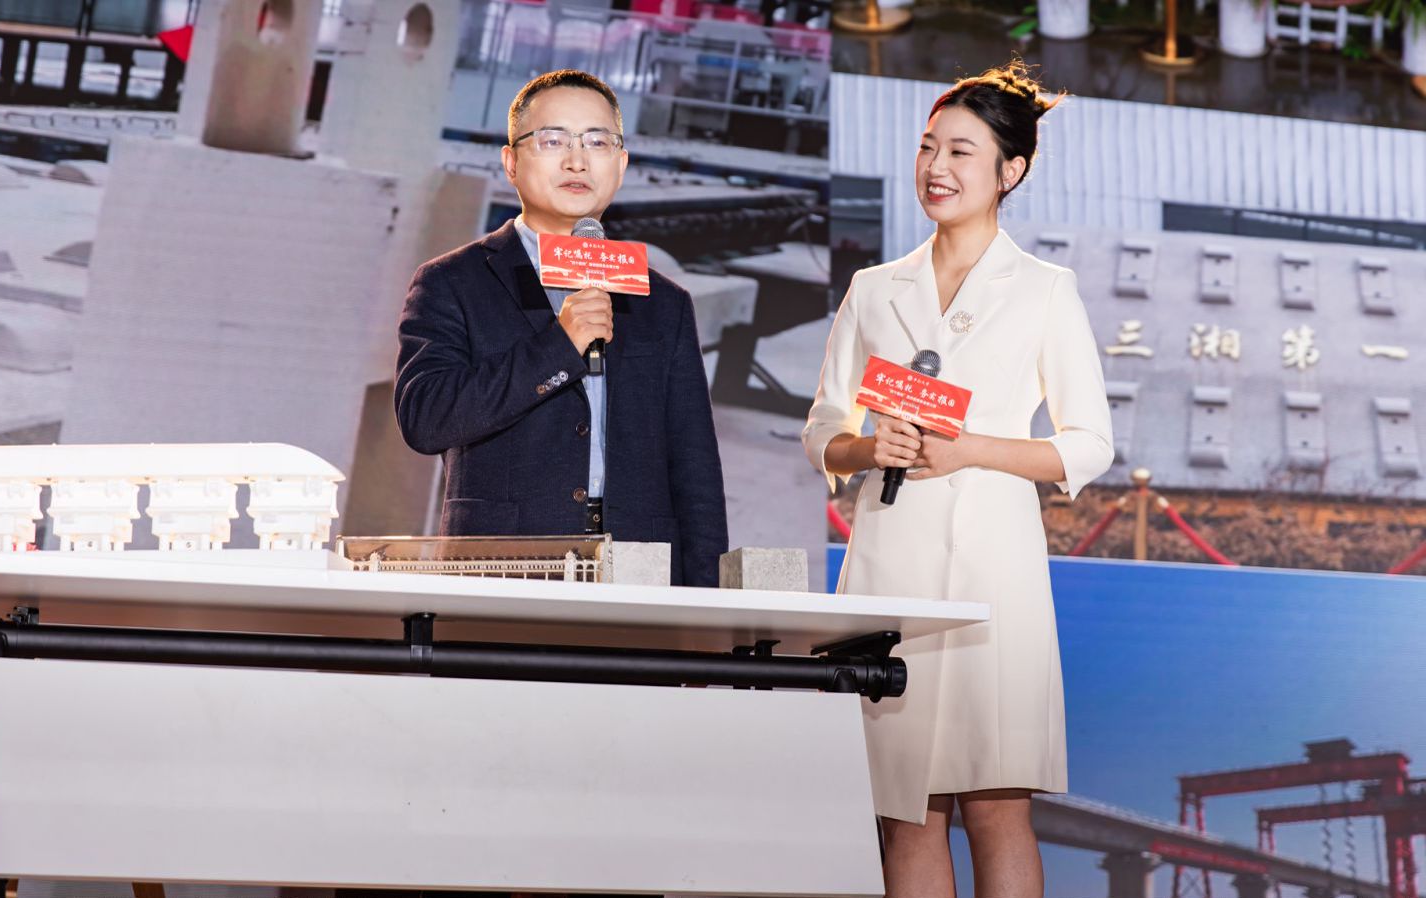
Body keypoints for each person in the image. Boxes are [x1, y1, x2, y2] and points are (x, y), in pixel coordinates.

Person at [802, 62, 1114, 898]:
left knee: (996, 806)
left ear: (1010, 170)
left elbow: (1088, 446)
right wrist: (869, 448)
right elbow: (823, 430)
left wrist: (973, 449)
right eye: (927, 147)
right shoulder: (874, 289)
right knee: (906, 810)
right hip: (889, 567)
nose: (936, 167)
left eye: (961, 152)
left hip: (993, 573)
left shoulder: (1045, 291)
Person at [394, 69, 728, 587]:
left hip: (638, 574)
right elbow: (426, 418)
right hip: (503, 572)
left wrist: (706, 607)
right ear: (511, 162)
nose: (577, 160)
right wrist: (558, 346)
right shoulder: (452, 281)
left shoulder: (665, 303)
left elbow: (696, 472)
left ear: (621, 164)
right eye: (553, 141)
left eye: (597, 141)